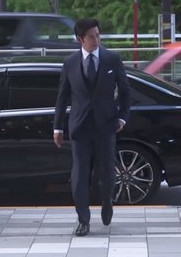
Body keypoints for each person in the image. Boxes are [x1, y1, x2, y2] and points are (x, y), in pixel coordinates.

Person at [53, 18, 131, 237]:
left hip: (106, 126)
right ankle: (83, 219)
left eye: (98, 35)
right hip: (79, 127)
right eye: (91, 37)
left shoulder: (112, 59)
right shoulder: (69, 63)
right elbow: (62, 97)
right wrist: (57, 128)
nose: (96, 40)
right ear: (80, 39)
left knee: (106, 172)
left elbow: (125, 92)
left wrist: (123, 118)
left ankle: (107, 201)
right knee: (79, 174)